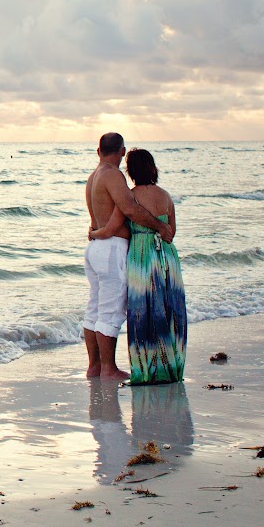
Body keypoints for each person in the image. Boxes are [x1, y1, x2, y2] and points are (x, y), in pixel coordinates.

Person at [91, 148, 186, 386]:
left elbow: (111, 228)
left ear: (131, 171)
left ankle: (146, 368)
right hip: (167, 257)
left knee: (142, 310)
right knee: (168, 309)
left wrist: (94, 233)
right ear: (153, 169)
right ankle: (171, 366)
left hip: (141, 256)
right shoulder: (166, 197)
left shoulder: (131, 198)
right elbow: (172, 232)